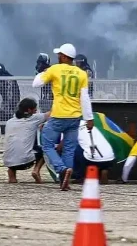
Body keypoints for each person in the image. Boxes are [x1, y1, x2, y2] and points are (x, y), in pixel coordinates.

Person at [32, 43, 94, 191]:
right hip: (75, 117)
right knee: (69, 149)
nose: (57, 56)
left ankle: (60, 169)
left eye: (59, 54)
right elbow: (84, 98)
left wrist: (45, 72)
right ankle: (65, 177)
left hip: (59, 115)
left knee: (46, 143)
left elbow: (36, 83)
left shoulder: (55, 69)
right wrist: (89, 118)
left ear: (65, 56)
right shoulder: (81, 73)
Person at [3, 98, 50, 183]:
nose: (36, 110)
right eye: (35, 108)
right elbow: (51, 114)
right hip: (25, 161)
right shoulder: (34, 118)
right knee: (46, 150)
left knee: (14, 146)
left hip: (8, 161)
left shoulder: (10, 121)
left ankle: (12, 177)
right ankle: (36, 170)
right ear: (29, 110)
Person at [0, 63, 20, 135]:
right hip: (8, 102)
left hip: (10, 103)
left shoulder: (7, 79)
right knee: (3, 118)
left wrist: (8, 106)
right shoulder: (3, 78)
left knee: (5, 118)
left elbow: (10, 94)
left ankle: (6, 134)